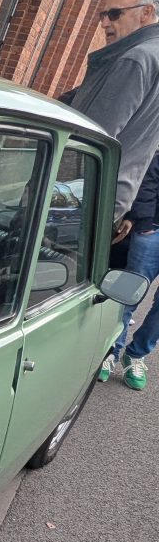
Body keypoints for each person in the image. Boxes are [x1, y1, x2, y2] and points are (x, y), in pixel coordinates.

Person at [68, 0, 159, 241]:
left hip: (81, 198)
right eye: (103, 15)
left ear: (146, 13)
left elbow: (92, 137)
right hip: (108, 199)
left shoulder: (137, 58)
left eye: (115, 14)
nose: (105, 22)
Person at [99, 150, 159, 389]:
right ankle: (110, 350)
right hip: (152, 230)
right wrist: (143, 224)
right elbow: (148, 178)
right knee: (128, 291)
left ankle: (136, 355)